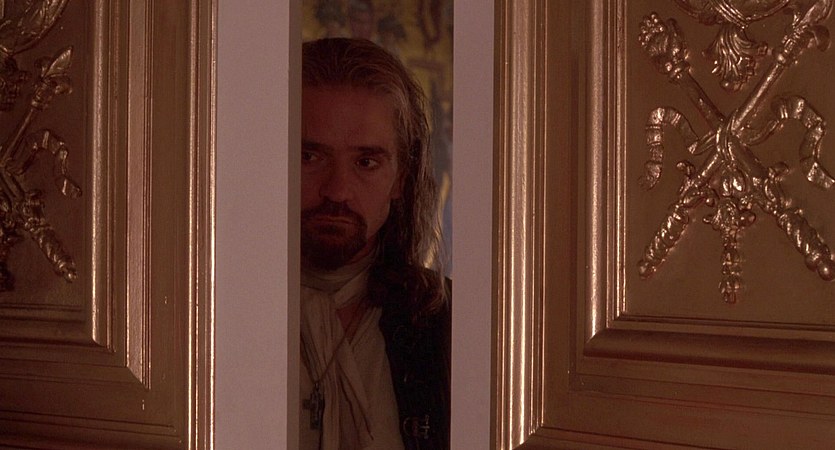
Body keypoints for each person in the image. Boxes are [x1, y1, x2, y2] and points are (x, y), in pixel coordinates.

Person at [300, 37, 450, 450]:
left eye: (366, 162)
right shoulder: (208, 313)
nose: (337, 190)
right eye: (310, 157)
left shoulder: (447, 325)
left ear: (401, 178)